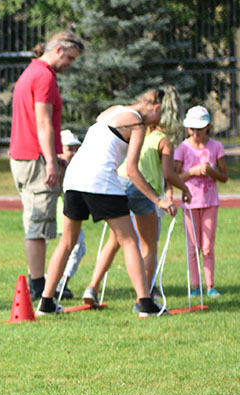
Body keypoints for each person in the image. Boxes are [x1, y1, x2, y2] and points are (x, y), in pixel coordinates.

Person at [38, 89, 173, 317]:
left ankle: (46, 303)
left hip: (73, 177)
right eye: (161, 117)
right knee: (129, 240)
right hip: (100, 180)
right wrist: (157, 200)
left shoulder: (111, 111)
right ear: (156, 108)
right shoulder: (137, 125)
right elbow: (131, 169)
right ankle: (146, 304)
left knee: (67, 242)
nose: (157, 123)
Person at [81, 87, 192, 305]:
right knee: (148, 245)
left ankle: (92, 287)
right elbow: (169, 173)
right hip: (142, 189)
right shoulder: (163, 141)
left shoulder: (134, 130)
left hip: (118, 184)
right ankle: (146, 293)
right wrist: (183, 189)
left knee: (115, 241)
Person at [9, 31, 85, 300]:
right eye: (71, 58)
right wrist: (52, 161)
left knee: (36, 222)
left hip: (24, 157)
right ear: (60, 49)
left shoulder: (31, 71)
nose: (70, 65)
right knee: (38, 226)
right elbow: (43, 122)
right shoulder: (44, 76)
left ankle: (40, 282)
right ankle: (40, 286)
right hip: (35, 160)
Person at [174, 105, 228, 297]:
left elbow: (224, 177)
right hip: (190, 203)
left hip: (210, 202)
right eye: (193, 129)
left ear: (208, 127)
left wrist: (211, 172)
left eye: (200, 128)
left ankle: (210, 285)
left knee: (207, 247)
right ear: (188, 129)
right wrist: (193, 172)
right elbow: (175, 176)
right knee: (192, 247)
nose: (196, 133)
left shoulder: (216, 147)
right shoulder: (183, 148)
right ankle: (195, 287)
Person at [54, 130, 86, 299]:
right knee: (75, 248)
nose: (73, 154)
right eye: (69, 149)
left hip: (71, 217)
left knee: (78, 249)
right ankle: (59, 284)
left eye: (76, 149)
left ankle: (60, 282)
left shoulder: (75, 168)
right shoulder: (57, 170)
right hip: (62, 218)